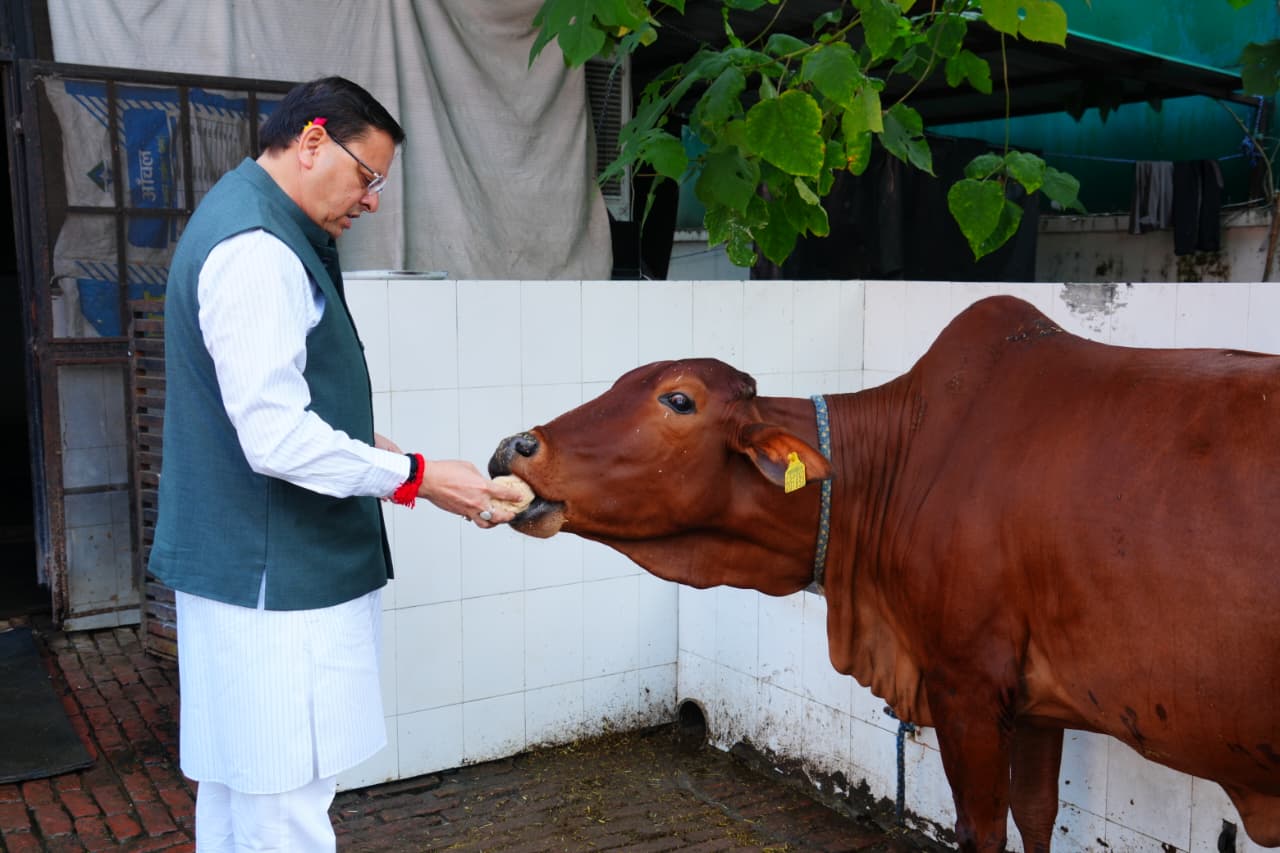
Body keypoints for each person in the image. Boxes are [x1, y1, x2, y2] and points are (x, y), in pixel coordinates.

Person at [147, 76, 523, 851]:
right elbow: (276, 437)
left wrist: (383, 452)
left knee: (238, 790)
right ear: (313, 138)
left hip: (242, 574)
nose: (372, 200)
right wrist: (417, 475)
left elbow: (263, 406)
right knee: (283, 799)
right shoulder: (258, 250)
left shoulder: (243, 219)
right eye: (369, 175)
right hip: (275, 581)